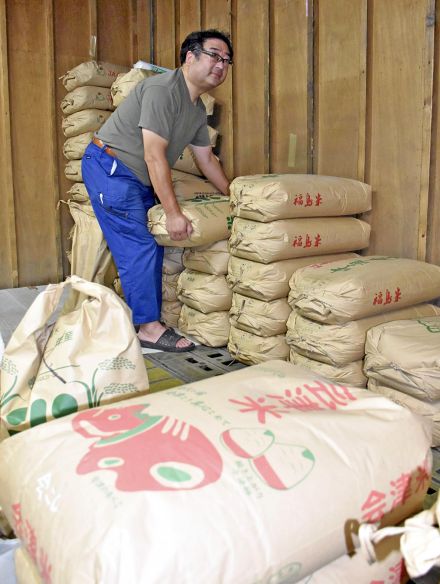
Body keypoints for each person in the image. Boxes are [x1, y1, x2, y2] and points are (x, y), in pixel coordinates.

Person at [82, 29, 233, 352]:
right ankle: (148, 327)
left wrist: (234, 195)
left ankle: (143, 315)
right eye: (214, 56)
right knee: (140, 245)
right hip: (111, 168)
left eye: (227, 60)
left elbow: (206, 159)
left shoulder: (194, 109)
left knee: (148, 242)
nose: (221, 65)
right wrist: (175, 214)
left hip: (134, 175)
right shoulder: (162, 90)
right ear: (189, 57)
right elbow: (154, 155)